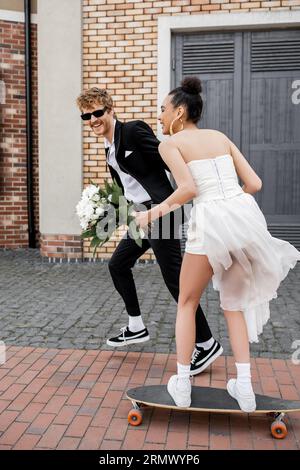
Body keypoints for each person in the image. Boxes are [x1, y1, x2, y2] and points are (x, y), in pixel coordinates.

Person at [134, 76, 300, 412]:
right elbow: (254, 182)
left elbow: (188, 190)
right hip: (244, 219)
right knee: (234, 306)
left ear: (180, 112)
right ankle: (246, 388)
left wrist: (151, 214)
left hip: (210, 221)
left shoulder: (170, 145)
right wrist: (231, 206)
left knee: (186, 302)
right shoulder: (221, 137)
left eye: (163, 110)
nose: (160, 117)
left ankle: (182, 383)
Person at [76, 87, 223, 375]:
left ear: (110, 110)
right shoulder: (108, 147)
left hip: (162, 210)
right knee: (118, 264)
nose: (92, 119)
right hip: (143, 214)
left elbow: (166, 156)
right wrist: (109, 212)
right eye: (86, 116)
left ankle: (206, 344)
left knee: (174, 279)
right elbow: (128, 187)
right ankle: (135, 326)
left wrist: (195, 180)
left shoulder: (132, 131)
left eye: (97, 112)